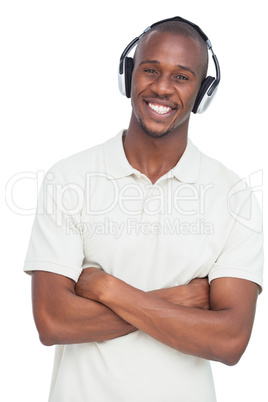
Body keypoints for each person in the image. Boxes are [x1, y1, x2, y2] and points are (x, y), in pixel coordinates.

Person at [24, 16, 263, 402]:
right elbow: (52, 322)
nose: (162, 88)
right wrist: (182, 299)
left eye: (182, 77)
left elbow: (230, 341)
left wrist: (105, 288)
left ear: (203, 92)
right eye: (151, 70)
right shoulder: (69, 179)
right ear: (129, 74)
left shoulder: (233, 197)